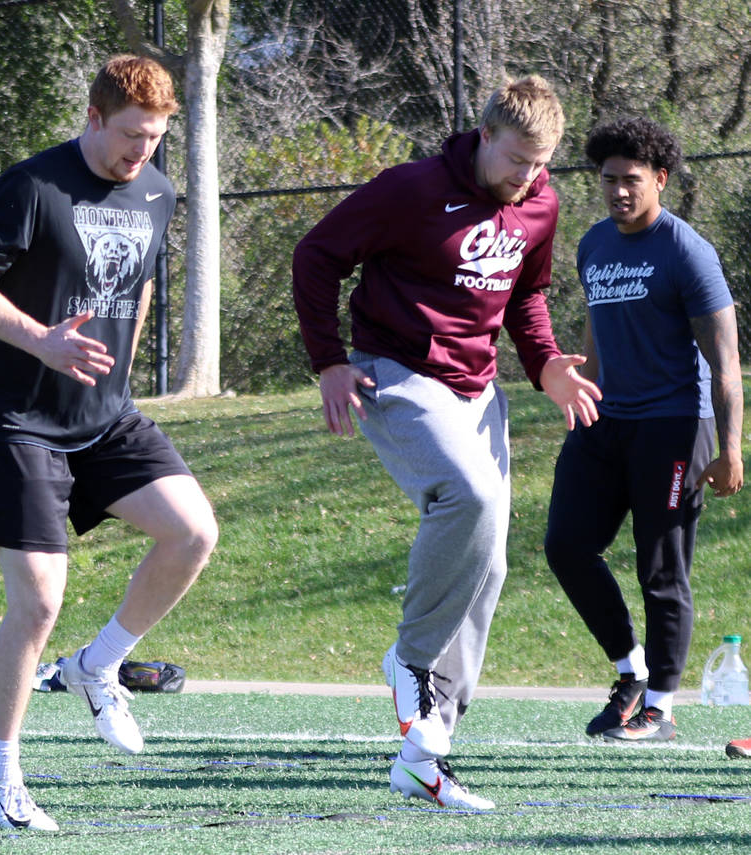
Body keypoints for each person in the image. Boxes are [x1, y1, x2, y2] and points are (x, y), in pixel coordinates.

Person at [292, 75, 601, 810]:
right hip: (392, 369)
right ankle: (411, 658)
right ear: (485, 134)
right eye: (518, 157)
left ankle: (427, 748)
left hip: (476, 386)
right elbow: (317, 254)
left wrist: (545, 361)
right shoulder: (412, 189)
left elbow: (525, 294)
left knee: (487, 560)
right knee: (468, 492)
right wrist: (329, 361)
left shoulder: (541, 203)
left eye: (541, 162)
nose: (527, 175)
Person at [0, 55, 218, 832]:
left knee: (193, 530)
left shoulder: (159, 190)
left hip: (104, 416)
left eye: (156, 138)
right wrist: (41, 341)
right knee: (38, 601)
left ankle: (98, 665)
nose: (142, 153)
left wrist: (116, 376)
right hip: (20, 418)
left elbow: (141, 283)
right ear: (95, 118)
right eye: (131, 135)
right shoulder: (34, 185)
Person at [544, 117, 744, 742]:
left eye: (631, 180)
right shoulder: (593, 244)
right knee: (566, 546)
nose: (618, 192)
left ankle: (659, 706)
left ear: (660, 179)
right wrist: (583, 392)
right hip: (605, 421)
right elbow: (595, 328)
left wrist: (732, 445)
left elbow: (725, 359)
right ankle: (629, 671)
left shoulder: (687, 251)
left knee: (661, 569)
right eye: (608, 181)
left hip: (675, 425)